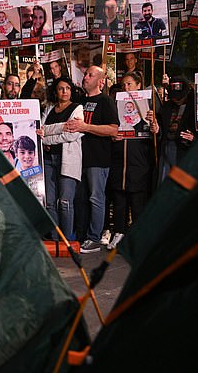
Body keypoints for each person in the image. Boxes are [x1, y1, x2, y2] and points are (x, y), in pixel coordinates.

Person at [64, 66, 119, 254]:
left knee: (96, 197)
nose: (85, 77)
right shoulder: (79, 101)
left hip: (98, 158)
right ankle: (82, 234)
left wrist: (85, 127)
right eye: (86, 74)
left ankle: (94, 238)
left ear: (101, 81)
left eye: (90, 75)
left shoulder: (106, 101)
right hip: (79, 158)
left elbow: (113, 129)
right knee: (80, 199)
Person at [106, 71, 153, 250]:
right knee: (119, 202)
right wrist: (112, 135)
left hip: (138, 163)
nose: (126, 88)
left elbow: (156, 134)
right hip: (119, 161)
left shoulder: (149, 105)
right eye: (123, 85)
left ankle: (138, 237)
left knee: (137, 203)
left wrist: (155, 127)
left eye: (130, 84)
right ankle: (119, 233)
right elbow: (109, 128)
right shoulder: (115, 105)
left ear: (139, 85)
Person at [38, 76, 84, 241]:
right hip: (49, 159)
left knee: (65, 202)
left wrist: (48, 137)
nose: (65, 91)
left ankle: (67, 240)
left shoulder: (77, 108)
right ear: (55, 91)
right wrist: (60, 127)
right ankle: (54, 238)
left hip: (68, 160)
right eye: (61, 88)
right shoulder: (49, 107)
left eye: (68, 88)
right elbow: (40, 131)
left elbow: (72, 134)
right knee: (50, 202)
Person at [146, 76, 196, 184]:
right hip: (167, 148)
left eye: (180, 97)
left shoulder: (195, 107)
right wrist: (157, 129)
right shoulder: (167, 107)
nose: (177, 100)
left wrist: (194, 138)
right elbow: (160, 128)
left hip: (185, 151)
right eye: (174, 97)